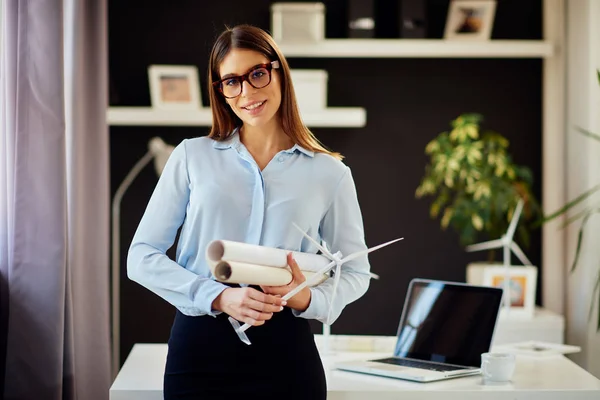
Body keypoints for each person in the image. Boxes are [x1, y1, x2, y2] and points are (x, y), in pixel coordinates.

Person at [127, 24, 371, 399]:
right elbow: (140, 257)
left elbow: (356, 272)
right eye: (231, 82)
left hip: (286, 354)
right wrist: (217, 296)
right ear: (221, 91)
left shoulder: (330, 173)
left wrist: (305, 298)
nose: (247, 92)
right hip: (200, 351)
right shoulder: (192, 157)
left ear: (278, 72)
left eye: (257, 74)